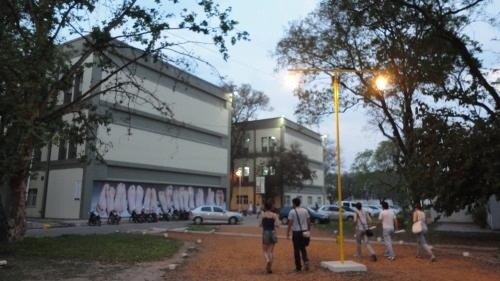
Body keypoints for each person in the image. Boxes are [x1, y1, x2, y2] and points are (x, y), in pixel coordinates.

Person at [286, 197, 310, 272]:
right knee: (303, 248)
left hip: (296, 232)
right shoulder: (305, 210)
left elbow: (290, 223)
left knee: (296, 250)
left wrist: (287, 232)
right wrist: (308, 230)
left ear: (294, 203)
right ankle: (306, 261)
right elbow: (308, 221)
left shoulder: (292, 212)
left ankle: (298, 267)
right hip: (304, 231)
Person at [259, 200, 280, 273]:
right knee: (270, 251)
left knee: (264, 250)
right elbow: (278, 225)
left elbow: (260, 224)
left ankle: (267, 260)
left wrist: (264, 223)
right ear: (271, 207)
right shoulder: (274, 215)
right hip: (273, 232)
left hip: (266, 232)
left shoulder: (262, 215)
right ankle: (269, 269)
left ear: (265, 206)